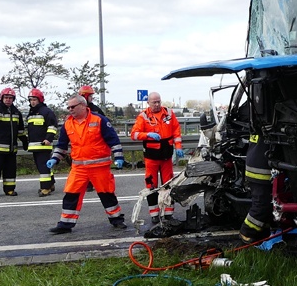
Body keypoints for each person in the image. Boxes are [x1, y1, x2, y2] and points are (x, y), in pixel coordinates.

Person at [47, 95, 127, 234]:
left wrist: (119, 157)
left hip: (99, 167)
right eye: (69, 107)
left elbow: (113, 140)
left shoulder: (99, 120)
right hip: (79, 168)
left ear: (83, 106)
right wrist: (55, 158)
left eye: (73, 107)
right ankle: (65, 224)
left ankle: (116, 219)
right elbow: (61, 145)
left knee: (107, 193)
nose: (70, 110)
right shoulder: (68, 123)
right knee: (71, 194)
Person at [130, 91, 183, 224]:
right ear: (148, 103)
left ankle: (168, 214)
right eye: (154, 102)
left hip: (166, 155)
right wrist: (148, 135)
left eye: (159, 101)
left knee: (168, 185)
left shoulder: (169, 114)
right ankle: (154, 214)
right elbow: (134, 134)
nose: (157, 104)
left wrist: (179, 146)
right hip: (151, 156)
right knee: (151, 186)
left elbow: (176, 131)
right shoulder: (143, 116)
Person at [0, 88, 27, 197]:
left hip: (11, 149)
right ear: (1, 98)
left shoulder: (16, 112)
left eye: (10, 98)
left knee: (10, 171)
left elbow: (20, 130)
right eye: (6, 97)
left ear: (13, 99)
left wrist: (25, 141)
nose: (8, 100)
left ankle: (9, 189)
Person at [239, 132, 273, 244]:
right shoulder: (270, 123)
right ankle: (246, 234)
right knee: (262, 206)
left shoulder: (259, 123)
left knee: (264, 206)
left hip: (256, 166)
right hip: (262, 170)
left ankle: (261, 238)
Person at [25, 88, 58, 196]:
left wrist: (48, 139)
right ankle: (51, 183)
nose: (32, 102)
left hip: (44, 145)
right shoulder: (31, 113)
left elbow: (52, 126)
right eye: (31, 100)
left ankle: (45, 188)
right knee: (43, 166)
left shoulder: (46, 111)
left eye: (34, 99)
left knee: (43, 167)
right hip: (34, 145)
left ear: (40, 100)